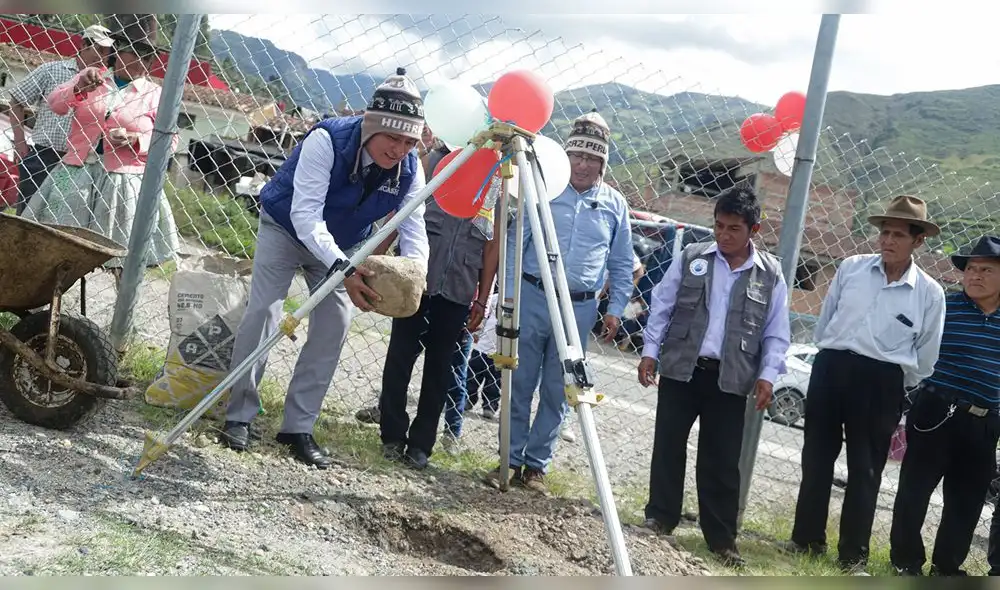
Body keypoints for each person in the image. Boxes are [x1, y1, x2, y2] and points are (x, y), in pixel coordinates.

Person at [220, 67, 430, 469]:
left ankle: (298, 426)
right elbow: (306, 217)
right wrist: (345, 271)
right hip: (286, 228)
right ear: (370, 128)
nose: (400, 149)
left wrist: (416, 272)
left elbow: (413, 224)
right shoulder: (327, 140)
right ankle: (238, 414)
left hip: (345, 242)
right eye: (392, 138)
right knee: (265, 311)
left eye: (409, 141)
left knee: (336, 320)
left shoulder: (410, 167)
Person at [780, 195, 946, 574]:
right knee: (816, 458)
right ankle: (805, 538)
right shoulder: (851, 268)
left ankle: (853, 554)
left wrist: (892, 380)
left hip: (881, 382)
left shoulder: (929, 293)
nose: (888, 241)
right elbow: (825, 323)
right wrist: (833, 358)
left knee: (866, 469)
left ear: (918, 241)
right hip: (831, 368)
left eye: (898, 235)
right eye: (884, 232)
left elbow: (926, 356)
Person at [637, 185, 790, 568]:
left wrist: (768, 375)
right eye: (719, 226)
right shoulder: (692, 257)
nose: (723, 235)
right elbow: (662, 305)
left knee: (721, 460)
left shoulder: (770, 275)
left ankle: (721, 539)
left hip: (730, 379)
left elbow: (776, 331)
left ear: (753, 231)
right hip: (682, 370)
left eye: (733, 229)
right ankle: (660, 517)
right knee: (669, 444)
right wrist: (650, 352)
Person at [484, 109, 633, 494]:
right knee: (518, 379)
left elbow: (620, 262)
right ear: (566, 157)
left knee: (559, 388)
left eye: (592, 158)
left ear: (603, 162)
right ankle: (509, 458)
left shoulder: (615, 206)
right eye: (577, 156)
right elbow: (518, 243)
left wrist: (615, 308)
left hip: (578, 308)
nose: (582, 165)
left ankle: (536, 466)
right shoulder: (543, 191)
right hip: (533, 295)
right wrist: (509, 293)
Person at [22, 15, 180, 280]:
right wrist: (79, 87)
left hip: (122, 180)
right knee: (57, 245)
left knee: (121, 255)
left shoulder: (155, 94)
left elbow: (171, 141)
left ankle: (123, 311)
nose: (143, 61)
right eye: (135, 52)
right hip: (75, 171)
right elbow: (56, 104)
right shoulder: (92, 79)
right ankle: (46, 298)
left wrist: (136, 140)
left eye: (147, 55)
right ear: (117, 52)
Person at [378, 157, 502, 469]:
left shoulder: (497, 181)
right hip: (416, 282)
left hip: (459, 290)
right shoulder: (438, 164)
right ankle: (392, 435)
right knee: (399, 358)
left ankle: (421, 445)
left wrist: (482, 299)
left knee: (440, 370)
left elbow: (492, 245)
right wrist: (375, 256)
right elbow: (402, 215)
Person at [890, 236, 1000, 576]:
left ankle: (947, 567)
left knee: (966, 501)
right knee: (915, 490)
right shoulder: (945, 307)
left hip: (985, 421)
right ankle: (906, 562)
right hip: (936, 410)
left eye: (986, 270)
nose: (974, 276)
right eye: (970, 269)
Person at [10, 24, 114, 215]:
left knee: (63, 219)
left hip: (82, 163)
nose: (102, 56)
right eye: (98, 49)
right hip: (45, 154)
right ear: (83, 45)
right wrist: (19, 142)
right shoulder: (52, 70)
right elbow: (17, 100)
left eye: (107, 52)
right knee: (28, 216)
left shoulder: (107, 84)